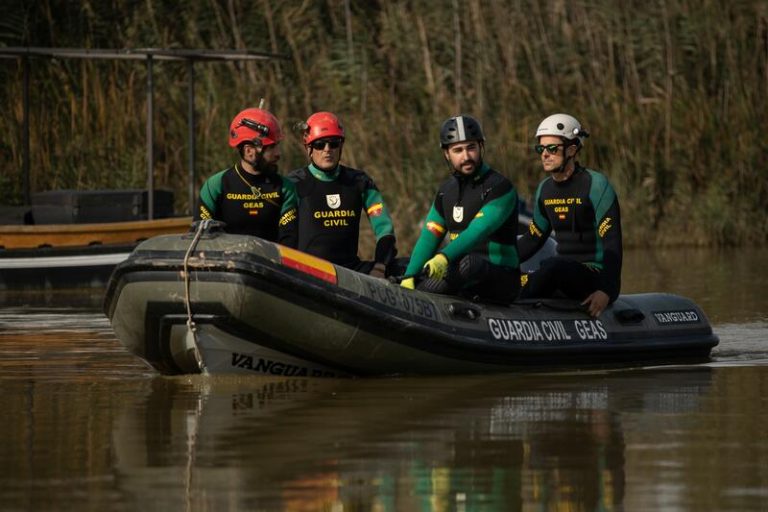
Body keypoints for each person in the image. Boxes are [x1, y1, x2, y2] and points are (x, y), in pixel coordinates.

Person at [400, 114, 520, 303]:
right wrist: (410, 275)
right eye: (458, 150)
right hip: (460, 273)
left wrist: (444, 257)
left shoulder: (499, 187)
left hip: (499, 278)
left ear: (481, 147)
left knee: (469, 263)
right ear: (446, 154)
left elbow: (478, 230)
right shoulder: (446, 192)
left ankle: (416, 298)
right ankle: (412, 292)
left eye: (471, 148)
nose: (466, 157)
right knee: (401, 265)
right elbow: (430, 235)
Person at [518, 113, 623, 317]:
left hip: (594, 276)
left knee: (553, 266)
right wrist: (500, 259)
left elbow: (612, 243)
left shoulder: (596, 185)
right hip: (558, 273)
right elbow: (532, 239)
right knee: (539, 268)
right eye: (540, 149)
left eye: (552, 148)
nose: (544, 155)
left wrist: (606, 290)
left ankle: (516, 298)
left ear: (572, 149)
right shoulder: (544, 190)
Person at [288, 111, 398, 277]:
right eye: (320, 144)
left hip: (349, 272)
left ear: (341, 146)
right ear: (308, 148)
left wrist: (380, 267)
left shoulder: (360, 182)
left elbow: (384, 229)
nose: (327, 150)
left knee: (407, 267)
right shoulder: (293, 183)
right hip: (307, 274)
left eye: (334, 143)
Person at [197, 107, 298, 245]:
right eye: (272, 147)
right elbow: (200, 239)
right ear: (249, 151)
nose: (278, 153)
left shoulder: (285, 188)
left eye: (278, 145)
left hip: (270, 265)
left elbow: (289, 242)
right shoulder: (215, 186)